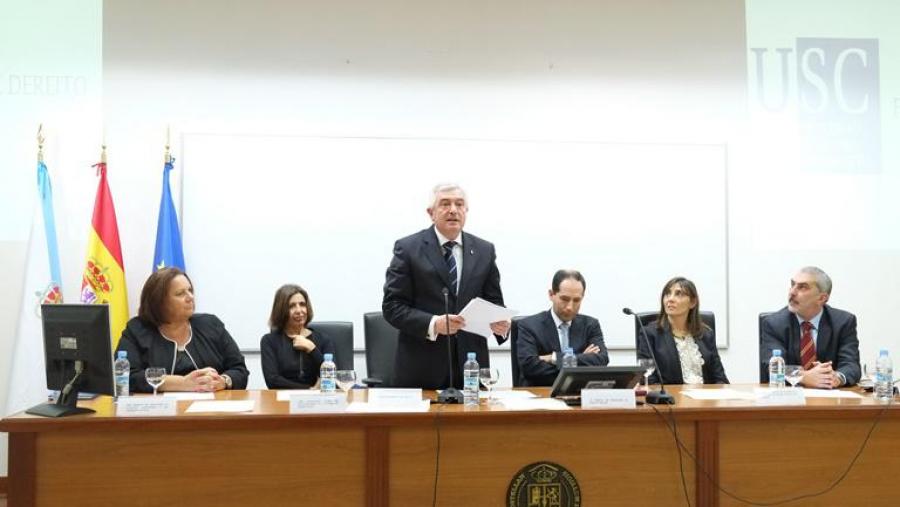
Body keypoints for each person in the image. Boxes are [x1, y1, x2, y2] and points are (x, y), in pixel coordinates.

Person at [382, 183, 510, 390]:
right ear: (431, 213)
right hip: (422, 369)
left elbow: (494, 301)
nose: (453, 210)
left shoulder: (484, 250)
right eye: (445, 204)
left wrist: (501, 325)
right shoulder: (408, 249)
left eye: (459, 204)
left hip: (471, 368)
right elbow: (392, 306)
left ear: (466, 212)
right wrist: (433, 324)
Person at [116, 267, 248, 392]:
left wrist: (223, 381)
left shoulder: (211, 324)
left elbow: (239, 369)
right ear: (158, 301)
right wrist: (182, 383)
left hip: (209, 410)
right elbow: (126, 376)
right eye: (180, 293)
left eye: (190, 290)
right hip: (159, 412)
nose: (190, 297)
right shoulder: (137, 330)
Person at [760, 266, 860, 388]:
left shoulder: (843, 322)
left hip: (829, 400)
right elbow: (770, 366)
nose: (792, 292)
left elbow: (851, 365)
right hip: (788, 401)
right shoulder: (773, 323)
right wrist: (804, 376)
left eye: (802, 287)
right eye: (792, 285)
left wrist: (836, 378)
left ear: (822, 298)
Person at [516, 270, 608, 386]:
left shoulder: (590, 325)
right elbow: (529, 367)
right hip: (541, 394)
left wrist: (554, 358)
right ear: (551, 294)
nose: (570, 307)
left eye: (576, 300)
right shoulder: (529, 325)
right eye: (564, 299)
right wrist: (581, 359)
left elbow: (601, 360)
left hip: (578, 395)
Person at [638, 277, 728, 385]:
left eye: (678, 294)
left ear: (693, 302)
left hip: (706, 398)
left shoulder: (706, 334)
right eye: (667, 294)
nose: (670, 299)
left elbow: (720, 378)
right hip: (672, 399)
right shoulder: (650, 334)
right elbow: (649, 380)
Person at [260, 284, 336, 389]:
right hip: (283, 401)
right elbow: (272, 380)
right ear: (281, 310)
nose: (299, 311)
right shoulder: (269, 341)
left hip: (318, 401)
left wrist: (312, 349)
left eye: (302, 304)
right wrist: (309, 390)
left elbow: (333, 377)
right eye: (291, 306)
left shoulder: (323, 340)